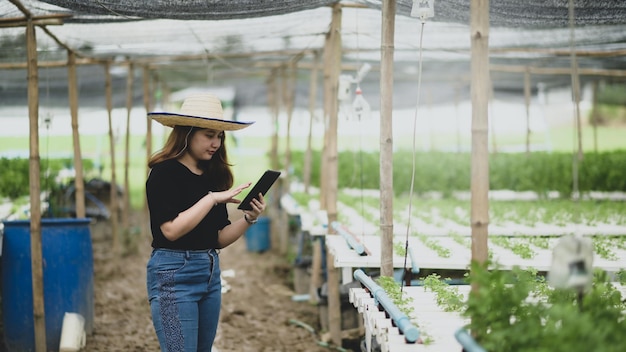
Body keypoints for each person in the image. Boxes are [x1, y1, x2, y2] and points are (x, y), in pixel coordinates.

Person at [145, 93, 265, 352]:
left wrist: (248, 218)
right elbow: (171, 231)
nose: (216, 142)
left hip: (209, 272)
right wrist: (211, 199)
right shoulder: (164, 174)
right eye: (208, 135)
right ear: (186, 134)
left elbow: (219, 237)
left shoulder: (212, 175)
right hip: (172, 274)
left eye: (219, 136)